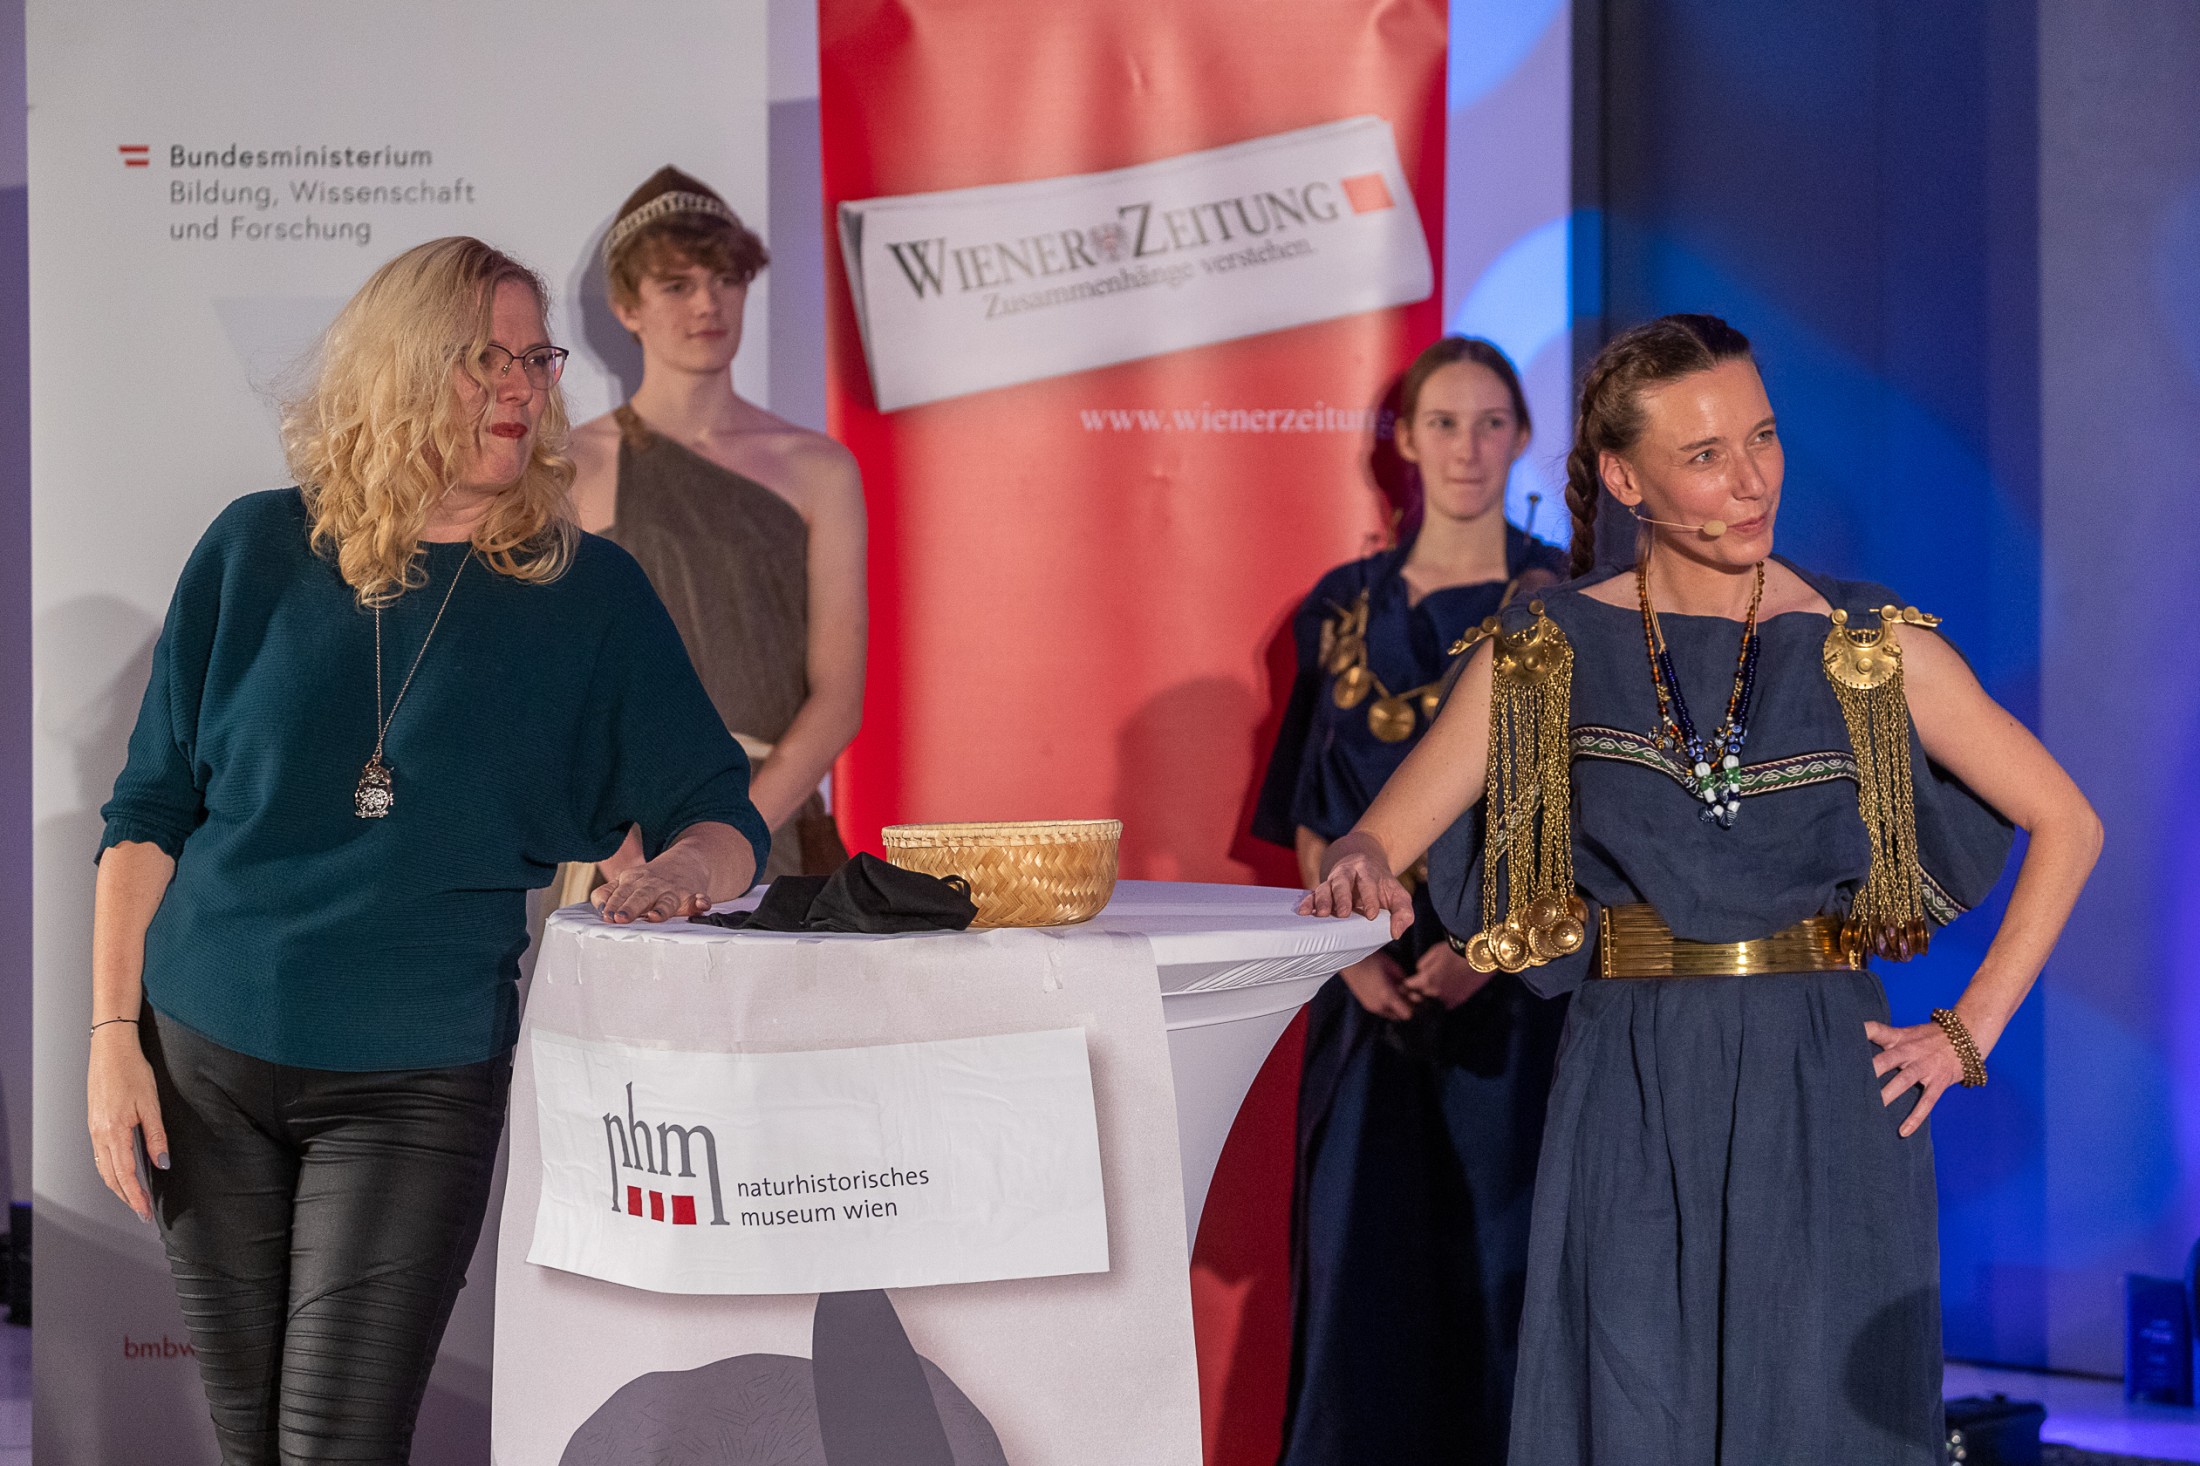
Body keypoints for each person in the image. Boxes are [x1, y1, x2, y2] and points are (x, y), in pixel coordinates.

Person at [1300, 314, 2100, 1464]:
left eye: (1761, 437)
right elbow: (1374, 837)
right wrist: (1362, 864)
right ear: (1625, 478)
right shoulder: (1544, 648)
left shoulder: (1865, 644)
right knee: (1634, 1413)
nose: (1751, 479)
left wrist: (1967, 1030)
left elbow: (2067, 819)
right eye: (1705, 454)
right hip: (1629, 1075)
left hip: (1824, 1075)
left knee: (1817, 1424)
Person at [86, 236, 770, 1464]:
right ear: (398, 369)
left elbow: (722, 809)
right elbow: (148, 811)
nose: (521, 386)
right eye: (483, 359)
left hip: (412, 1078)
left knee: (337, 1446)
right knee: (252, 1446)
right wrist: (108, 1040)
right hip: (203, 1051)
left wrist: (684, 869)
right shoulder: (251, 549)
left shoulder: (590, 596)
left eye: (536, 358)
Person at [1254, 337, 1569, 1464]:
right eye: (1444, 422)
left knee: (1506, 1265)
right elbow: (1308, 805)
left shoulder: (1569, 603)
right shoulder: (1340, 607)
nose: (1468, 447)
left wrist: (1490, 949)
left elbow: (1584, 807)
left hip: (1518, 992)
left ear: (1522, 436)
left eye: (1490, 423)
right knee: (1360, 1267)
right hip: (1365, 989)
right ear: (1403, 440)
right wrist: (1348, 955)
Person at [563, 165, 866, 894]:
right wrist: (632, 861)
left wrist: (728, 841)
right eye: (677, 285)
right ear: (626, 307)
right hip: (618, 846)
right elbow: (550, 686)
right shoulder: (569, 466)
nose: (708, 303)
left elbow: (839, 696)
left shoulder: (819, 468)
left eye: (726, 279)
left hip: (770, 828)